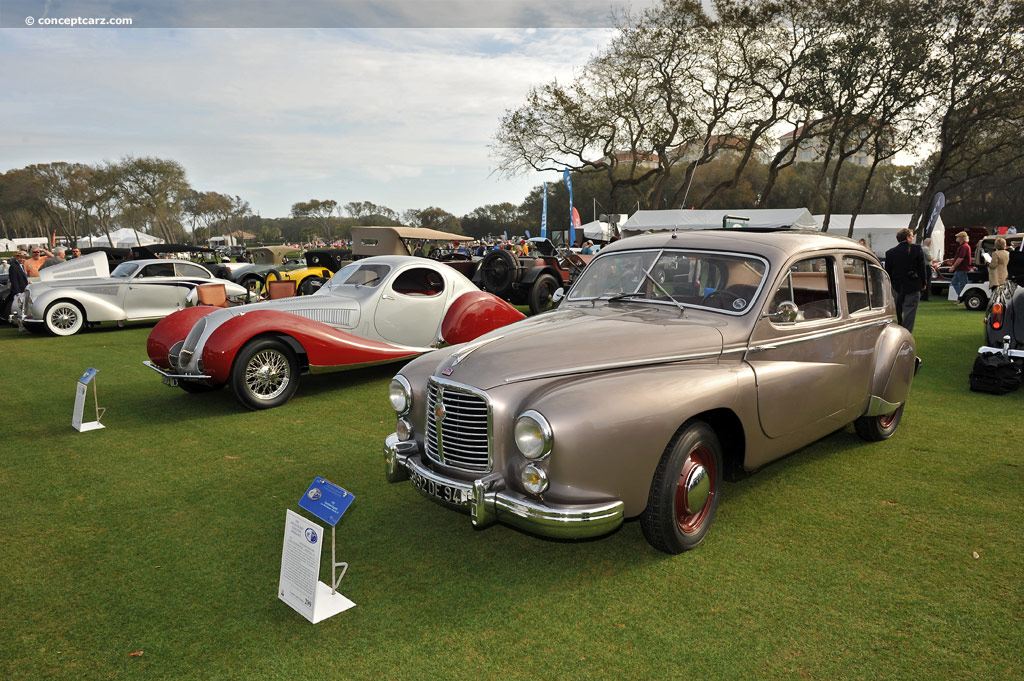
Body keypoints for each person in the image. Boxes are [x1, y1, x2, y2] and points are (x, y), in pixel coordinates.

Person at [884, 228, 927, 332]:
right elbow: (922, 267)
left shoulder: (890, 253)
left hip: (897, 286)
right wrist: (924, 282)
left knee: (897, 311)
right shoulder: (917, 249)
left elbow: (887, 272)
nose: (912, 238)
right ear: (908, 237)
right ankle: (906, 333)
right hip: (912, 284)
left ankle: (896, 330)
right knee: (910, 311)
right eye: (912, 236)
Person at [949, 231, 972, 301]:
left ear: (961, 238)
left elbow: (960, 258)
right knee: (954, 282)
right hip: (959, 269)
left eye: (958, 237)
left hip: (962, 269)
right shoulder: (963, 246)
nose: (957, 238)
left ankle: (964, 299)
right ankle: (961, 297)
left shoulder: (964, 246)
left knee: (963, 285)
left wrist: (953, 266)